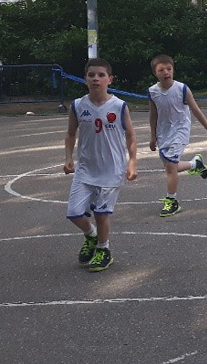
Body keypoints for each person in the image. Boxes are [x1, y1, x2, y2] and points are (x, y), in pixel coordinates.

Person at [64, 58, 138, 272]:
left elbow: (131, 136)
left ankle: (104, 250)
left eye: (101, 75)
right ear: (85, 79)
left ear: (110, 80)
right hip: (86, 169)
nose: (96, 78)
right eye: (91, 75)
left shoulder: (119, 106)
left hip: (111, 169)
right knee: (74, 212)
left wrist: (132, 162)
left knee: (101, 214)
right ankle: (91, 235)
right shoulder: (78, 106)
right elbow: (70, 134)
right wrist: (68, 157)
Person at [148, 55, 207, 217]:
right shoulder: (153, 92)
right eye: (161, 70)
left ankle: (172, 201)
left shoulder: (182, 89)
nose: (166, 72)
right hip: (163, 133)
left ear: (173, 70)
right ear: (155, 73)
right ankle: (195, 164)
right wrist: (153, 136)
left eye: (169, 69)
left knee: (170, 167)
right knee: (171, 167)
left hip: (180, 130)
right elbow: (153, 115)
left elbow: (196, 110)